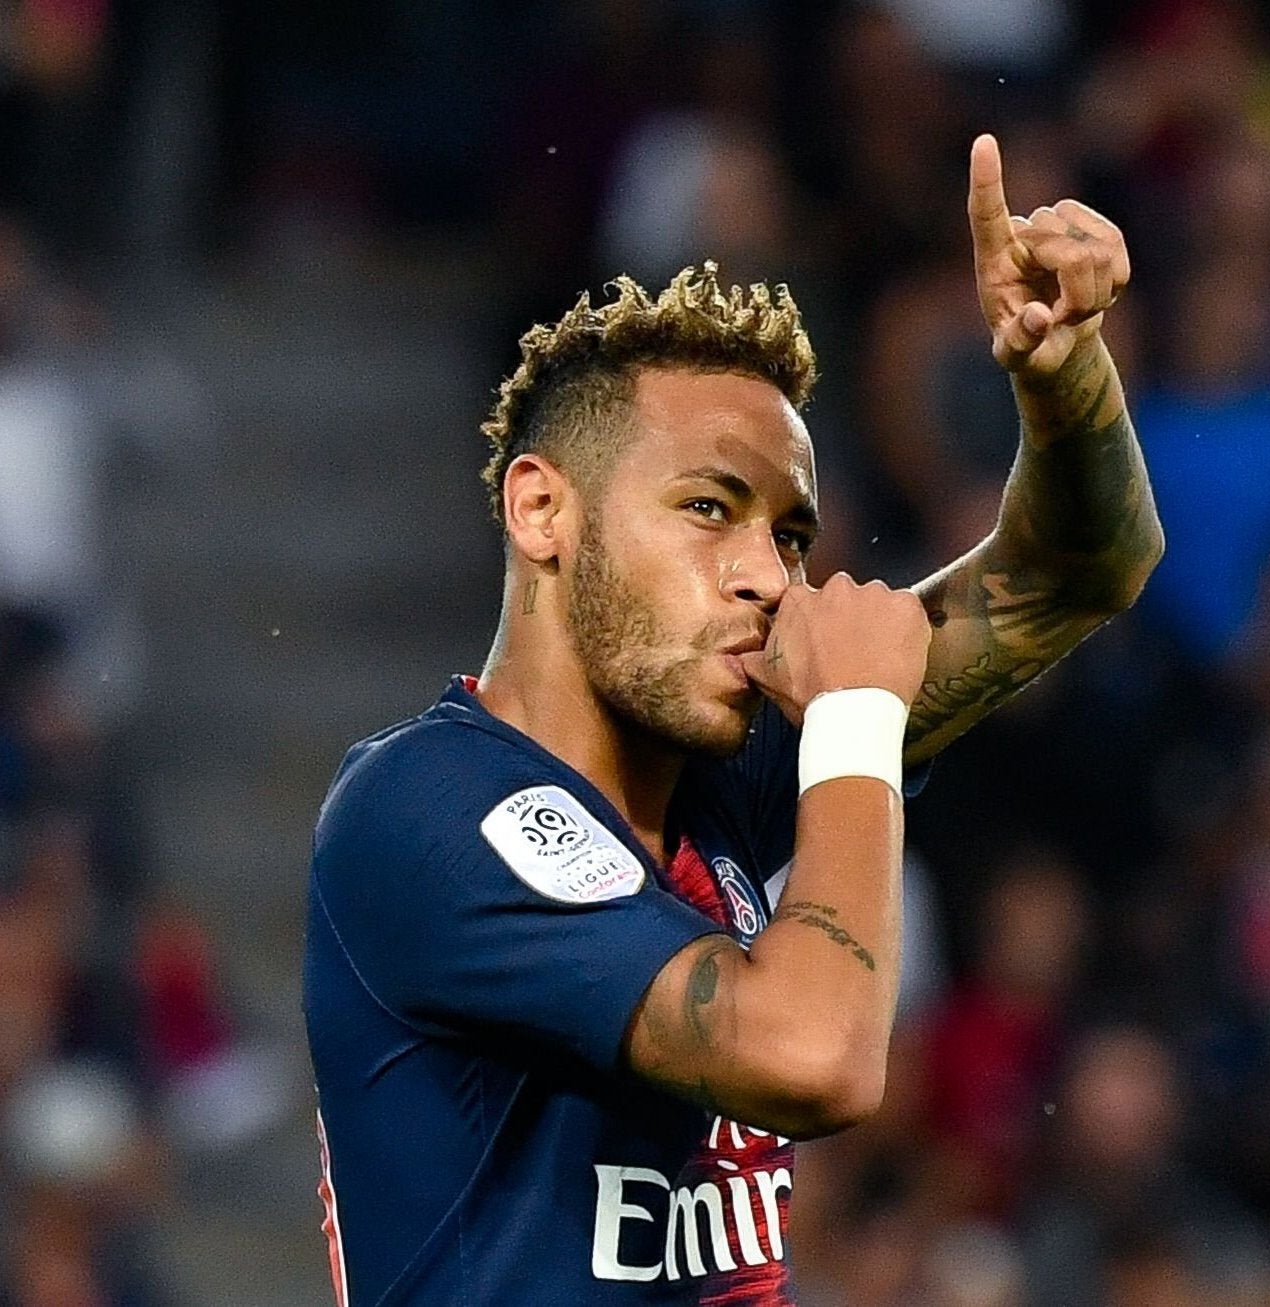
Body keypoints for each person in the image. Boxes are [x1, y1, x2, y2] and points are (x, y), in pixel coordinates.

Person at [302, 134, 1162, 1305]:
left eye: (790, 535)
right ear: (542, 508)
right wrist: (856, 720)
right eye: (710, 508)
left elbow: (1079, 570)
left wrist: (1065, 381)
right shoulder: (424, 808)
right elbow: (810, 1058)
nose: (767, 574)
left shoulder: (726, 773)